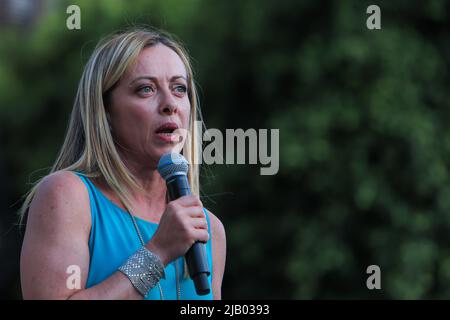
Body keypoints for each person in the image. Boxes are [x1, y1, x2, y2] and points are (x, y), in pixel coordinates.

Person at [19, 28, 226, 300]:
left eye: (179, 88)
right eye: (146, 89)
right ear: (105, 110)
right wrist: (157, 252)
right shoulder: (67, 196)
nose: (169, 104)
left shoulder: (209, 229)